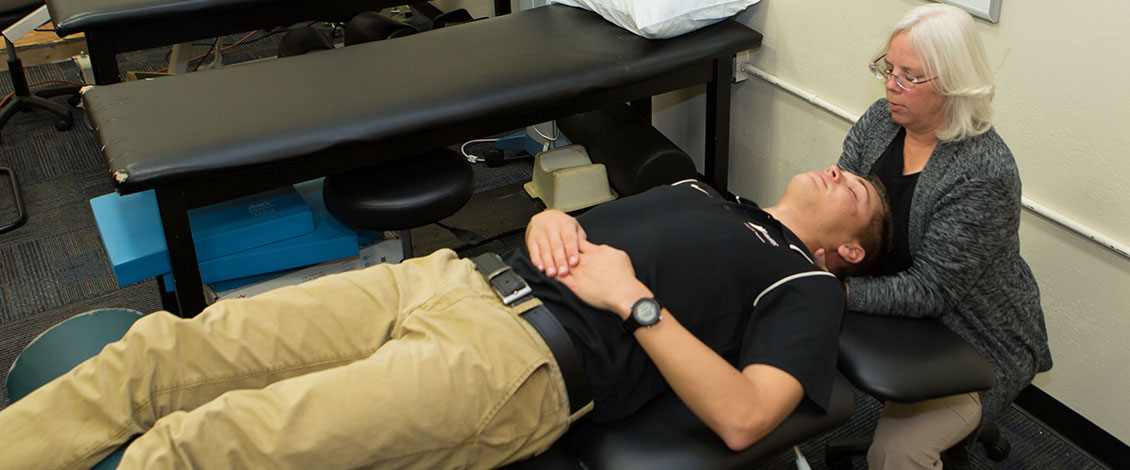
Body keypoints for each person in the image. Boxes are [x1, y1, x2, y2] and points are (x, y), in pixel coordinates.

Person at [0, 167, 890, 470]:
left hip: (515, 367)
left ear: (850, 250)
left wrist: (634, 302)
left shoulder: (804, 287)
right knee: (168, 348)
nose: (839, 174)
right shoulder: (703, 189)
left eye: (859, 195)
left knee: (224, 440)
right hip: (445, 278)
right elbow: (578, 226)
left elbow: (744, 417)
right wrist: (553, 219)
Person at [833, 4, 1053, 469]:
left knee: (898, 453)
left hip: (971, 338)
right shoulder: (881, 120)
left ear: (954, 83)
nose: (891, 84)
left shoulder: (983, 171)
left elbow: (932, 291)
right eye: (888, 68)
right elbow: (839, 204)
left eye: (910, 76)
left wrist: (838, 291)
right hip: (893, 306)